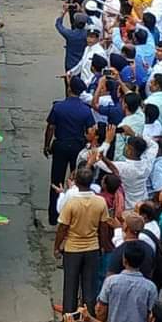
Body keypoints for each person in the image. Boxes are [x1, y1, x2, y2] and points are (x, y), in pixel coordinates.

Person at [54, 167, 110, 316]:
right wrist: (104, 245)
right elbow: (104, 227)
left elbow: (62, 228)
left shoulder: (71, 203)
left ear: (76, 183)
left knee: (70, 287)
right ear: (91, 182)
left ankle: (69, 321)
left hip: (72, 250)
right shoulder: (100, 202)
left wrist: (57, 247)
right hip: (92, 248)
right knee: (89, 288)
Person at [44, 76, 95, 225]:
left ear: (69, 89)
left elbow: (50, 127)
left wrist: (47, 145)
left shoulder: (58, 107)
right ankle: (75, 215)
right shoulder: (86, 110)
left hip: (60, 146)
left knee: (56, 180)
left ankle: (53, 216)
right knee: (78, 181)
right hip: (77, 148)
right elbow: (91, 130)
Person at [95, 240, 158, 322]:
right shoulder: (150, 287)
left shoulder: (111, 282)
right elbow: (151, 317)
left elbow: (101, 310)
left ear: (124, 260)